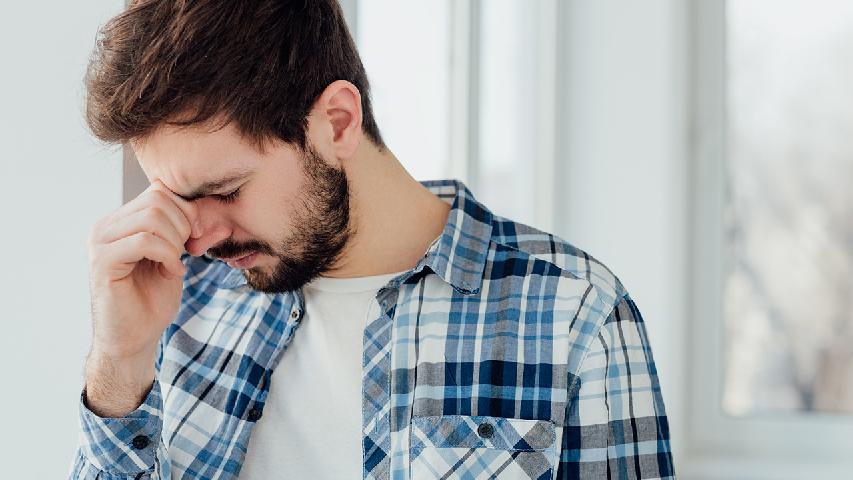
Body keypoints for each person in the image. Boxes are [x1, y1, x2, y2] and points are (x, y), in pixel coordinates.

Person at [69, 1, 675, 479]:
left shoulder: (575, 314)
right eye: (176, 198)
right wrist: (119, 367)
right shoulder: (178, 302)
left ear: (337, 121)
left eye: (224, 191)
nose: (198, 238)